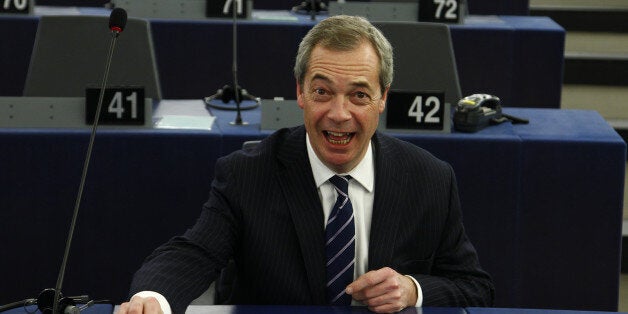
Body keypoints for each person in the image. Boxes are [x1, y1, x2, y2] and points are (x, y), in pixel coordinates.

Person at [119, 15, 494, 314]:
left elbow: (474, 288)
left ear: (383, 99)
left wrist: (413, 289)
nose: (339, 114)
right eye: (322, 92)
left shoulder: (429, 178)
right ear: (300, 92)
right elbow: (193, 252)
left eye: (359, 95)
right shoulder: (247, 174)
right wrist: (154, 299)